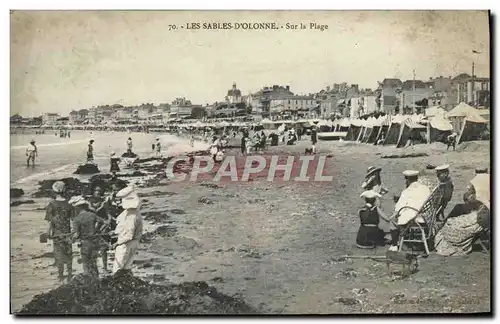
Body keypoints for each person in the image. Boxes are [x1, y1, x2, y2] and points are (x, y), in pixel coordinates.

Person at [434, 173, 489, 256]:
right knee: (458, 209)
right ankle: (443, 225)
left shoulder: (480, 198)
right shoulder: (486, 196)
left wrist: (470, 192)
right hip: (478, 216)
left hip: (478, 218)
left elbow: (467, 199)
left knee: (453, 219)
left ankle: (442, 229)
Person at [387, 170, 430, 251]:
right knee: (402, 214)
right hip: (425, 216)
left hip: (415, 219)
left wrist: (395, 213)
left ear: (407, 180)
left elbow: (398, 207)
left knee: (393, 219)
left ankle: (394, 245)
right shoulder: (425, 188)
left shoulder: (406, 191)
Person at [69, 196, 107, 278]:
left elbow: (77, 234)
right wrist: (98, 230)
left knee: (86, 264)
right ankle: (96, 279)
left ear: (78, 207)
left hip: (85, 243)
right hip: (95, 242)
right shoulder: (92, 215)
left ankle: (89, 282)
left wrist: (71, 239)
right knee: (94, 263)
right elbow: (105, 222)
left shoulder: (77, 219)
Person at [44, 181, 73, 282]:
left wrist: (48, 233)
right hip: (68, 232)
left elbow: (49, 221)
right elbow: (72, 219)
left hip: (57, 233)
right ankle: (69, 273)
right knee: (69, 253)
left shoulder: (51, 204)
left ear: (54, 191)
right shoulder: (69, 203)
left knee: (58, 254)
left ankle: (60, 275)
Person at [112, 186, 143, 274]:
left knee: (118, 269)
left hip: (126, 244)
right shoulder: (135, 212)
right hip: (134, 242)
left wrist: (117, 243)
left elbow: (129, 235)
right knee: (127, 267)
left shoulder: (130, 216)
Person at [87, 182, 111, 272]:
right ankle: (94, 268)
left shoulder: (104, 201)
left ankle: (105, 268)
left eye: (99, 191)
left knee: (104, 249)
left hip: (102, 226)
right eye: (96, 190)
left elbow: (108, 214)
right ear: (93, 191)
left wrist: (108, 221)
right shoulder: (88, 201)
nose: (97, 192)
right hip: (92, 226)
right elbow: (92, 211)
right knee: (93, 249)